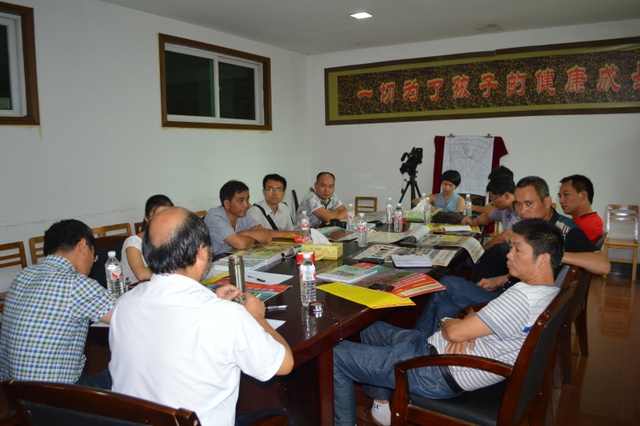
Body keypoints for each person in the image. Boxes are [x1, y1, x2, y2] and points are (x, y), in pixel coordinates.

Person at [334, 219, 564, 426]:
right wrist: (465, 330)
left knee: (334, 355)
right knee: (369, 329)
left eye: (517, 250)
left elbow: (454, 333)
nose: (509, 255)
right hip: (435, 353)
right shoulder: (549, 292)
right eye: (511, 248)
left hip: (433, 372)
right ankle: (381, 407)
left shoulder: (522, 297)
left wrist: (448, 322)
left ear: (543, 259)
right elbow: (480, 320)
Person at [109, 207, 294, 426]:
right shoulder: (225, 316)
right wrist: (256, 317)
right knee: (284, 414)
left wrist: (211, 299)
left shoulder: (125, 304)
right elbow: (284, 364)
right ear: (201, 251)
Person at [415, 176, 610, 337]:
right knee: (444, 307)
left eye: (529, 204)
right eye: (518, 204)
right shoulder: (532, 226)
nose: (522, 211)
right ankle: (427, 344)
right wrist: (502, 279)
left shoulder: (564, 230)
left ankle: (418, 342)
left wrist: (554, 254)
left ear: (547, 202)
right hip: (510, 290)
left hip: (518, 306)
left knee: (447, 283)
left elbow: (603, 265)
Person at [0, 220, 115, 389]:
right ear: (83, 245)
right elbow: (126, 317)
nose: (92, 262)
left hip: (14, 392)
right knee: (130, 371)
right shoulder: (76, 283)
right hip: (58, 396)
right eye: (94, 254)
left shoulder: (23, 275)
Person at [205, 180, 289, 257]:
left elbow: (266, 236)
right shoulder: (215, 217)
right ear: (227, 204)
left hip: (237, 257)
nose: (246, 205)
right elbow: (241, 244)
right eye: (241, 201)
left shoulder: (243, 215)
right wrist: (254, 238)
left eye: (247, 199)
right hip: (215, 261)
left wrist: (244, 233)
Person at [121, 194, 174, 283]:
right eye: (157, 216)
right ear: (146, 217)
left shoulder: (171, 239)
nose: (163, 220)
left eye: (167, 215)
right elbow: (142, 274)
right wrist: (173, 269)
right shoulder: (133, 242)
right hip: (135, 289)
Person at [461, 175, 520, 250]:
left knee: (501, 248)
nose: (493, 203)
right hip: (514, 248)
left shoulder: (520, 210)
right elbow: (487, 218)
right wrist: (473, 222)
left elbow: (505, 237)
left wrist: (482, 250)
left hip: (523, 252)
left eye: (494, 199)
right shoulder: (503, 209)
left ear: (506, 196)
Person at [558, 174, 604, 243]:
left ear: (583, 195)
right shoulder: (592, 220)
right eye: (560, 196)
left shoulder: (587, 225)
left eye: (566, 194)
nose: (561, 201)